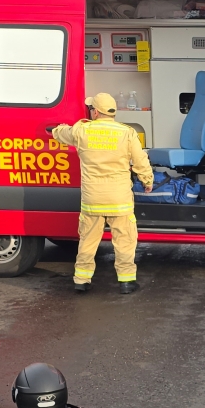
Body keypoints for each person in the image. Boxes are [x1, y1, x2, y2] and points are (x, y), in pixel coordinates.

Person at [50, 93, 153, 295]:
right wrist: (147, 181)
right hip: (119, 200)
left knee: (88, 241)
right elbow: (140, 160)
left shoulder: (82, 130)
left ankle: (81, 281)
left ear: (95, 111)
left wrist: (56, 128)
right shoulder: (127, 132)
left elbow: (61, 133)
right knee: (124, 241)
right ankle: (126, 282)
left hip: (92, 200)